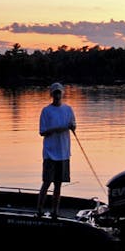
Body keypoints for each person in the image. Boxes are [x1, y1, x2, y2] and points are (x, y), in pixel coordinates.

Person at [36, 82, 76, 218]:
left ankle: (55, 212)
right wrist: (59, 128)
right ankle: (39, 210)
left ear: (62, 93)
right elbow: (42, 132)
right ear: (51, 94)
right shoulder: (46, 111)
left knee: (58, 185)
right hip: (50, 153)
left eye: (59, 92)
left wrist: (71, 127)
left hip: (63, 153)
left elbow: (73, 125)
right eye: (55, 92)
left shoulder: (68, 109)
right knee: (47, 182)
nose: (57, 95)